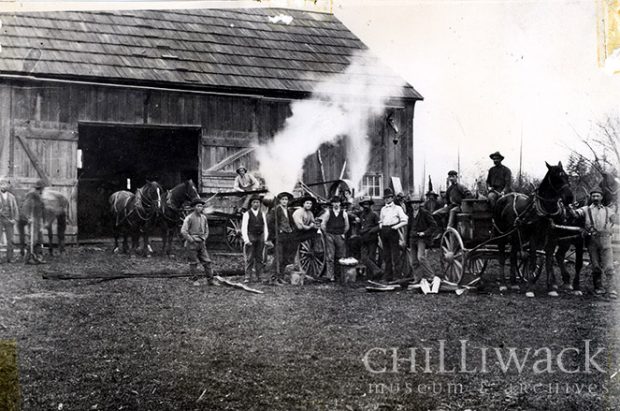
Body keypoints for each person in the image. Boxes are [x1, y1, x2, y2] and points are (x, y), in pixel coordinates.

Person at [571, 188, 618, 298]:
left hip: (606, 240)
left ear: (601, 197)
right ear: (591, 198)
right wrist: (571, 209)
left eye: (598, 196)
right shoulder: (586, 209)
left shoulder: (608, 210)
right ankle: (598, 288)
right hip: (592, 240)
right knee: (596, 266)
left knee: (609, 266)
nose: (596, 198)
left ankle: (611, 289)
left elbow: (616, 219)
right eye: (594, 196)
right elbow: (575, 214)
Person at [181, 198, 216, 286]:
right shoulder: (189, 218)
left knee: (207, 261)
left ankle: (210, 280)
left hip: (201, 243)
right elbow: (184, 231)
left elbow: (206, 230)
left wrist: (204, 238)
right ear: (193, 207)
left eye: (201, 206)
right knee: (193, 262)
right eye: (198, 206)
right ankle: (194, 280)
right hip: (192, 243)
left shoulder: (204, 217)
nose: (200, 208)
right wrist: (191, 239)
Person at [379, 188, 409, 282]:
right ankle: (388, 276)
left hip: (393, 231)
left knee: (395, 255)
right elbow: (381, 220)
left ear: (392, 198)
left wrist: (396, 227)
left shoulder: (398, 208)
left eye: (389, 197)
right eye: (385, 198)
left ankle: (397, 276)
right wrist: (381, 226)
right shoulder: (383, 209)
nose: (387, 199)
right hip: (384, 231)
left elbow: (405, 220)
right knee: (386, 255)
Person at [407, 195, 438, 284]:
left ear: (419, 204)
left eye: (416, 203)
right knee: (413, 261)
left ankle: (431, 276)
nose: (415, 205)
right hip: (412, 239)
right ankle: (417, 279)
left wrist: (424, 233)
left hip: (421, 239)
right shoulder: (410, 214)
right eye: (413, 203)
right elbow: (408, 228)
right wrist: (406, 242)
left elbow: (433, 225)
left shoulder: (425, 213)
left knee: (421, 257)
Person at [320, 196, 350, 282]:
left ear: (340, 203)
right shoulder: (328, 213)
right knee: (330, 256)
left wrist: (342, 233)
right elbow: (323, 224)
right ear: (332, 204)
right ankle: (331, 276)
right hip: (330, 235)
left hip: (340, 235)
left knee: (341, 256)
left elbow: (347, 225)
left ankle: (340, 275)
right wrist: (327, 233)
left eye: (338, 202)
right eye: (334, 203)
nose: (336, 204)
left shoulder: (344, 213)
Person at [268, 192, 295, 284]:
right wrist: (278, 229)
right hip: (279, 236)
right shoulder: (275, 210)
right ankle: (273, 278)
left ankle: (281, 277)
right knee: (278, 257)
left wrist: (292, 229)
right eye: (283, 199)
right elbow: (270, 223)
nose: (284, 201)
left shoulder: (288, 211)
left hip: (287, 235)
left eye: (286, 199)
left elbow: (291, 222)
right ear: (279, 200)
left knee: (284, 257)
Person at [241, 195, 269, 283]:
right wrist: (246, 240)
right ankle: (247, 276)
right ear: (251, 204)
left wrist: (265, 238)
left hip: (260, 237)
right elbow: (244, 228)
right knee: (250, 257)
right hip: (251, 236)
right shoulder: (247, 214)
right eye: (254, 202)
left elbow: (265, 227)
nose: (256, 204)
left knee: (259, 257)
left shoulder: (262, 214)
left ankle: (259, 276)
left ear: (260, 204)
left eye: (258, 202)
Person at [356, 196, 382, 279]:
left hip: (372, 239)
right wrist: (359, 231)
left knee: (371, 257)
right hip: (363, 239)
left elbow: (379, 226)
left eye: (367, 204)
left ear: (370, 205)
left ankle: (370, 276)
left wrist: (371, 231)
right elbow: (359, 225)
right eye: (364, 204)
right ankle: (377, 270)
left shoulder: (374, 214)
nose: (365, 206)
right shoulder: (362, 215)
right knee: (364, 258)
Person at [0, 179, 19, 263]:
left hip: (9, 220)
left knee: (10, 239)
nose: (3, 186)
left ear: (8, 186)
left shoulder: (11, 197)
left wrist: (15, 219)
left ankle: (10, 258)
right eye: (2, 184)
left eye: (5, 185)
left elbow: (15, 209)